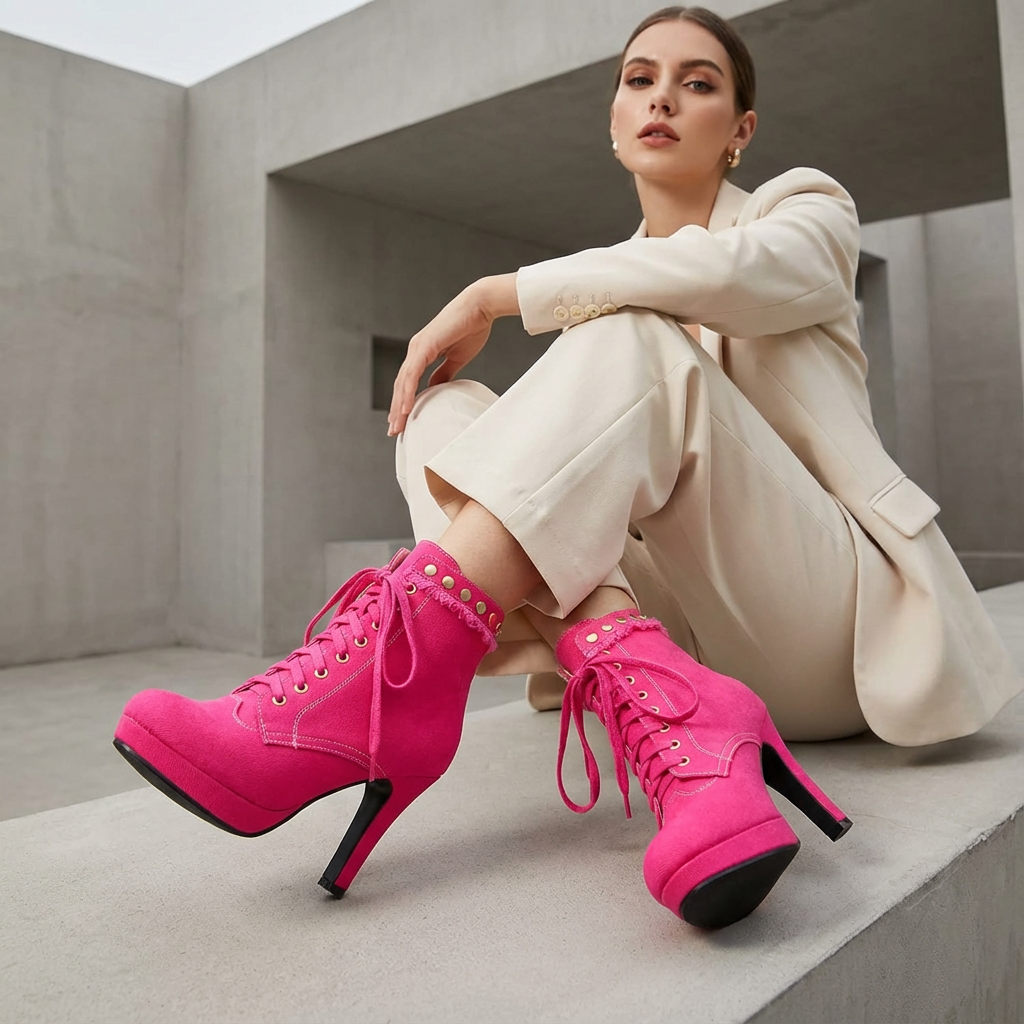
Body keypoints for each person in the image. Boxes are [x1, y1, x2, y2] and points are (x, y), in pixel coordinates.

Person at [113, 6, 1021, 930]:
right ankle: (672, 717)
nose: (663, 97)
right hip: (677, 649)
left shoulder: (805, 213)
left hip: (824, 627)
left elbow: (727, 273)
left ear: (739, 131)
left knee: (633, 334)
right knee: (441, 414)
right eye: (640, 79)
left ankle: (376, 693)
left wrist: (495, 295)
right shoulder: (608, 281)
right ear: (615, 121)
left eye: (698, 83)